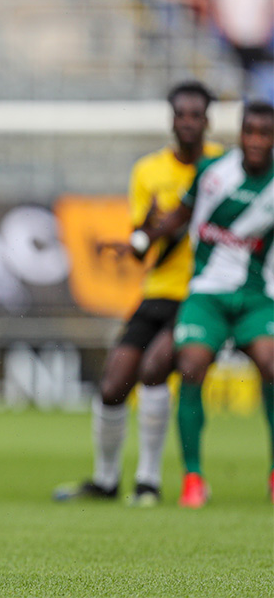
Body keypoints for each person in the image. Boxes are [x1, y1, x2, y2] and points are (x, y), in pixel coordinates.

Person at [54, 81, 223, 506]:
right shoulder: (148, 171)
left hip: (201, 293)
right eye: (180, 114)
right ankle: (106, 481)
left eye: (195, 115)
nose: (187, 122)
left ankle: (148, 481)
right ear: (172, 120)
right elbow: (142, 244)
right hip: (157, 292)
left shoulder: (223, 167)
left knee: (153, 368)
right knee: (113, 384)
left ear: (208, 120)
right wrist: (145, 232)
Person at [136, 100, 274, 508]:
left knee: (272, 364)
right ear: (240, 134)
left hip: (256, 296)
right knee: (190, 364)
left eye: (265, 134)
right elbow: (178, 216)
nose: (256, 141)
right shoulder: (213, 173)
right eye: (250, 132)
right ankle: (193, 477)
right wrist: (143, 238)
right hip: (207, 293)